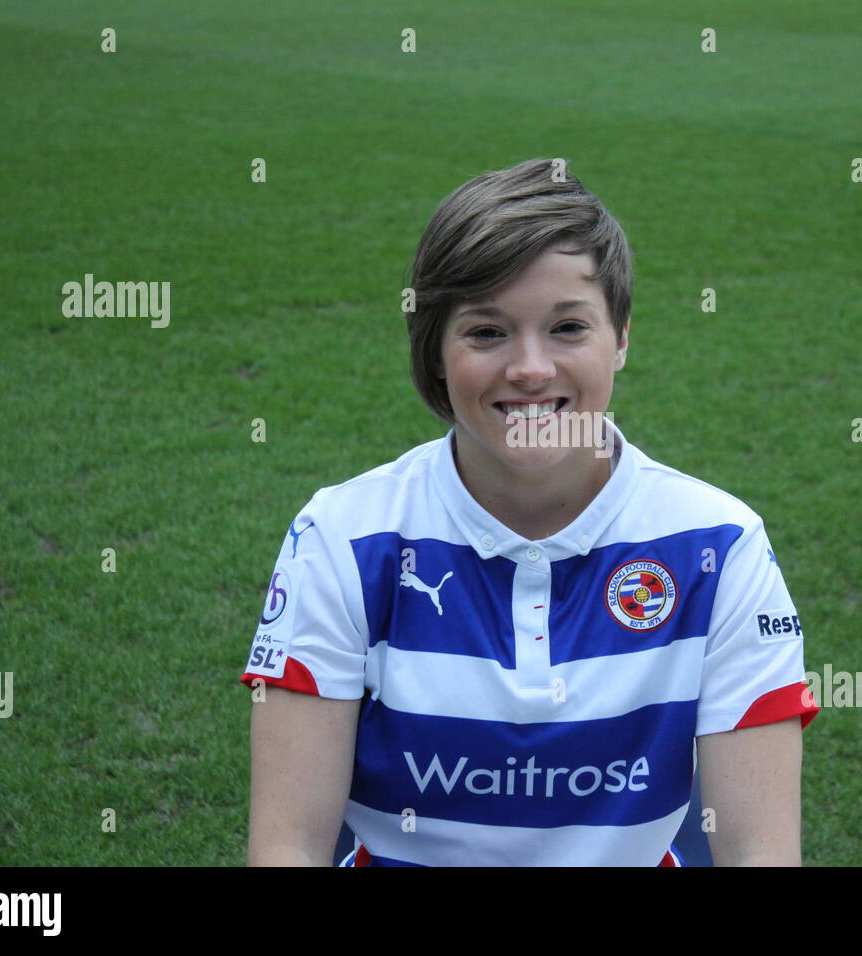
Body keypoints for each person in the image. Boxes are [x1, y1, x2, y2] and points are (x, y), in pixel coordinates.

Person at [242, 158, 818, 866]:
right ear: (436, 351)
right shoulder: (342, 539)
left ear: (621, 338)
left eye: (568, 327)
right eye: (487, 332)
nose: (531, 369)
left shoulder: (719, 546)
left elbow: (759, 850)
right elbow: (289, 846)